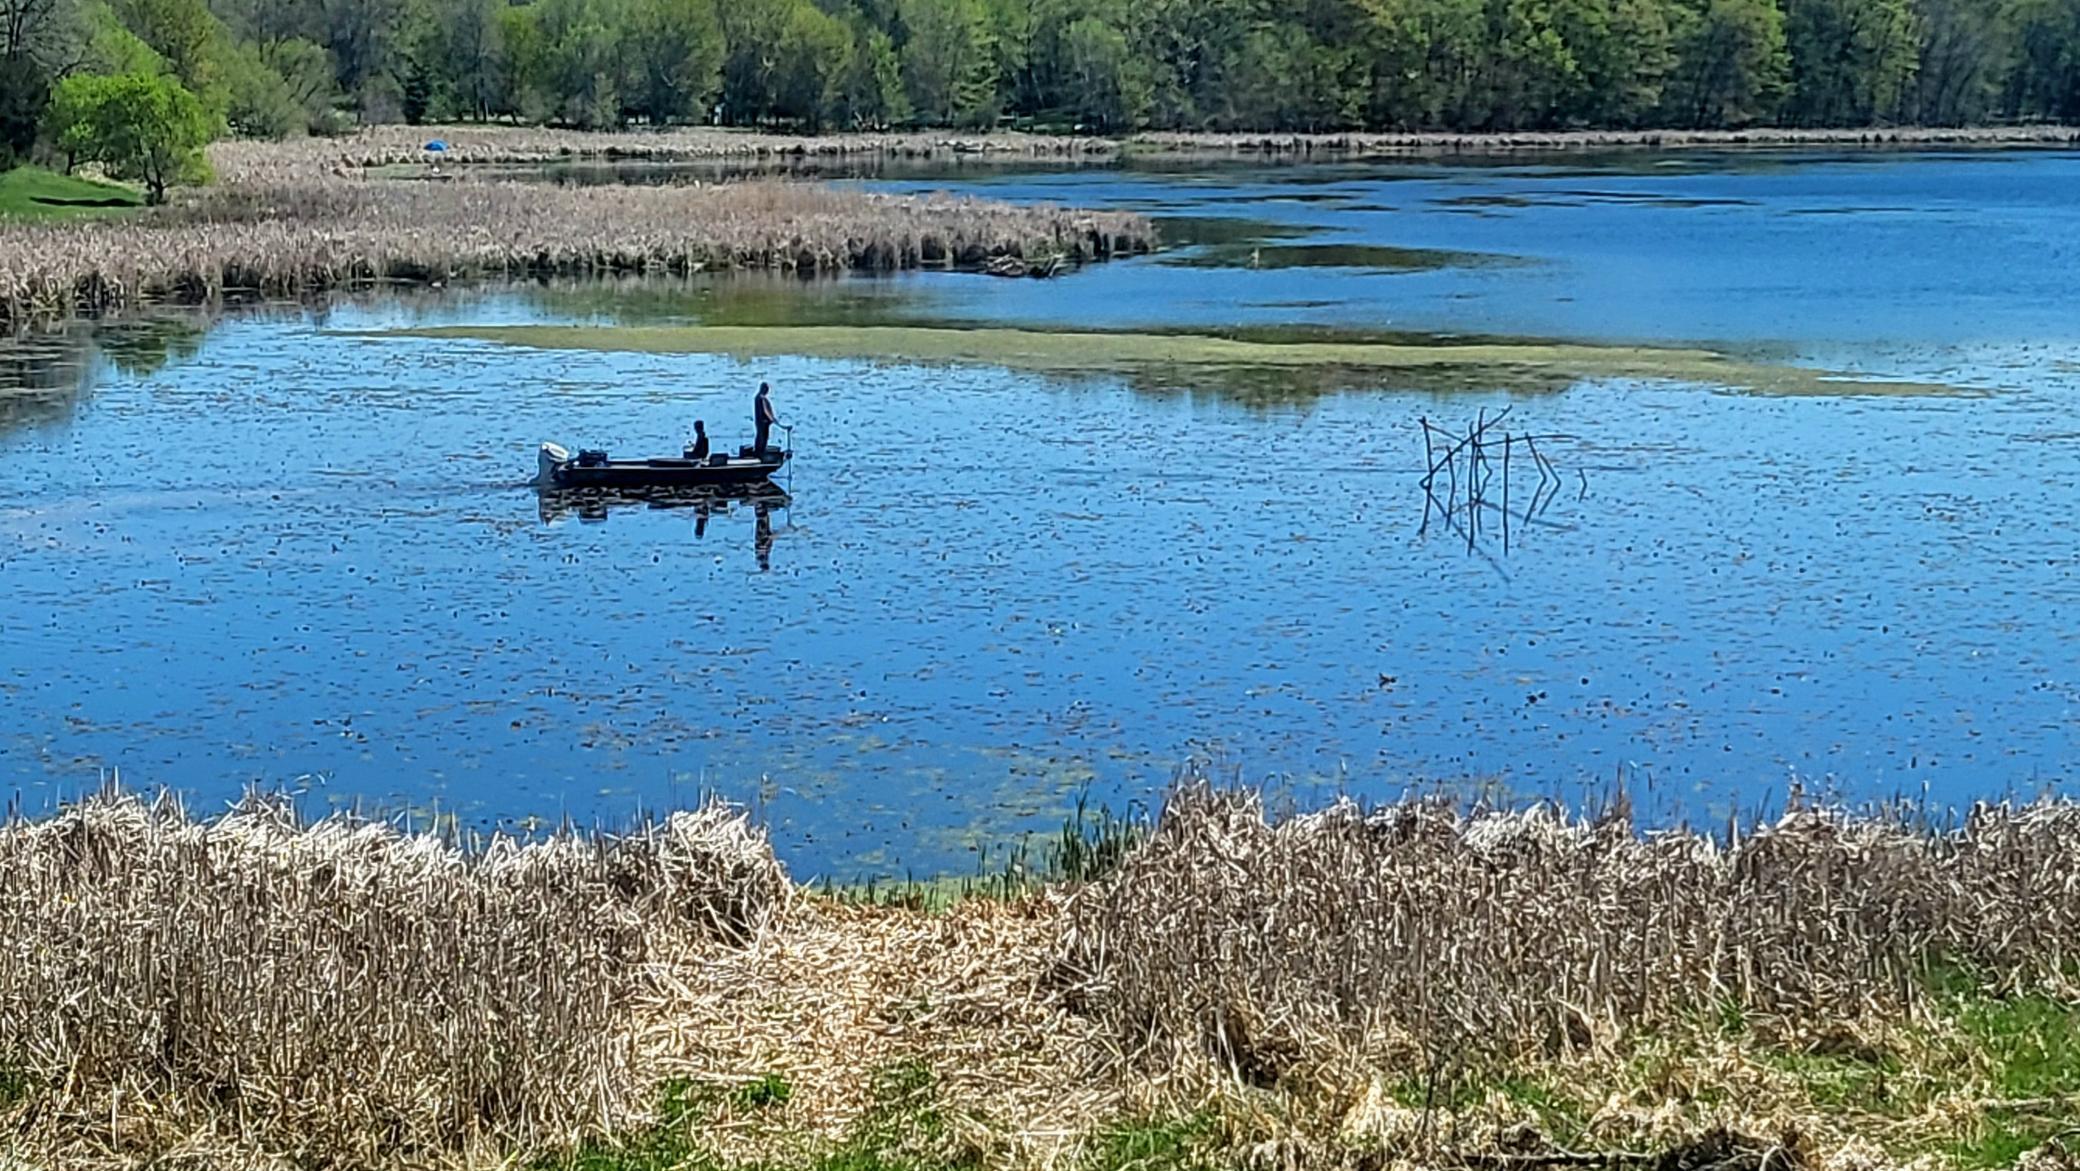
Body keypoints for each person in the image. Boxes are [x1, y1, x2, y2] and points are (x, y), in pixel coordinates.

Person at [753, 382, 778, 457]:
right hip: (763, 422)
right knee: (763, 438)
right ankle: (760, 454)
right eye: (767, 389)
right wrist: (771, 419)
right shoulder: (761, 398)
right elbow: (765, 411)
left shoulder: (757, 397)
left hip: (759, 422)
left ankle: (758, 452)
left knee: (759, 437)